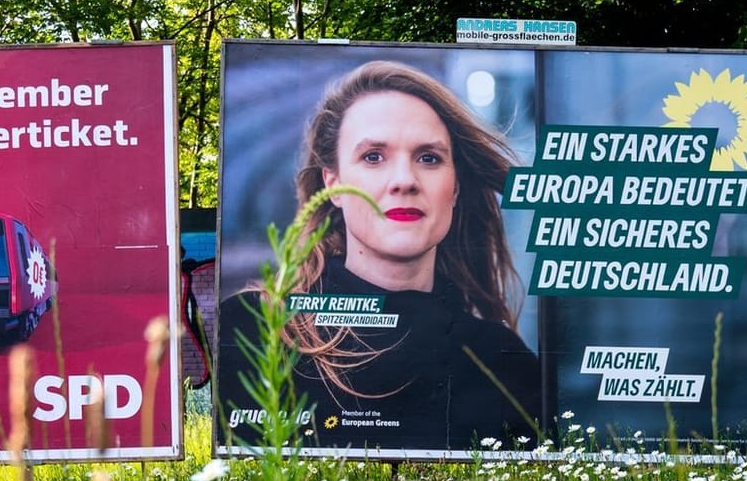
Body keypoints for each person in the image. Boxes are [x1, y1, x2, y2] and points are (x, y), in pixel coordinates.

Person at [222, 60, 542, 452]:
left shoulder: (504, 366)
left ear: (455, 187)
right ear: (333, 184)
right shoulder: (253, 329)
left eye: (429, 158)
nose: (404, 181)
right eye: (373, 157)